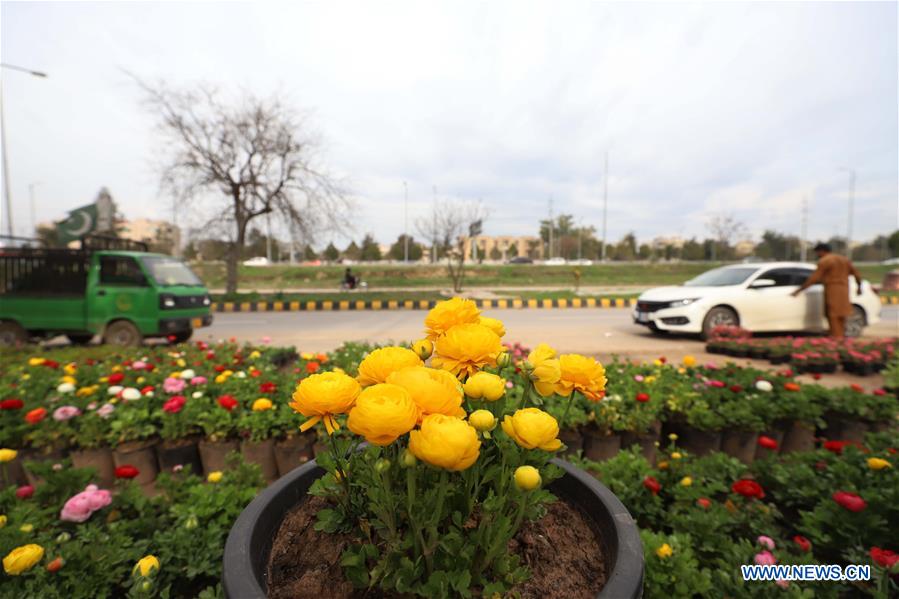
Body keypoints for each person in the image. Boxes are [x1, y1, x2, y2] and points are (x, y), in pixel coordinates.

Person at [791, 243, 863, 339]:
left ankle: (836, 338)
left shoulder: (825, 261)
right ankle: (841, 336)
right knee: (842, 314)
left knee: (832, 315)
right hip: (845, 290)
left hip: (832, 289)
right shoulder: (844, 260)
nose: (817, 255)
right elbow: (857, 274)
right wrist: (859, 287)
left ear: (822, 251)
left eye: (817, 252)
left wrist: (800, 290)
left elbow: (814, 278)